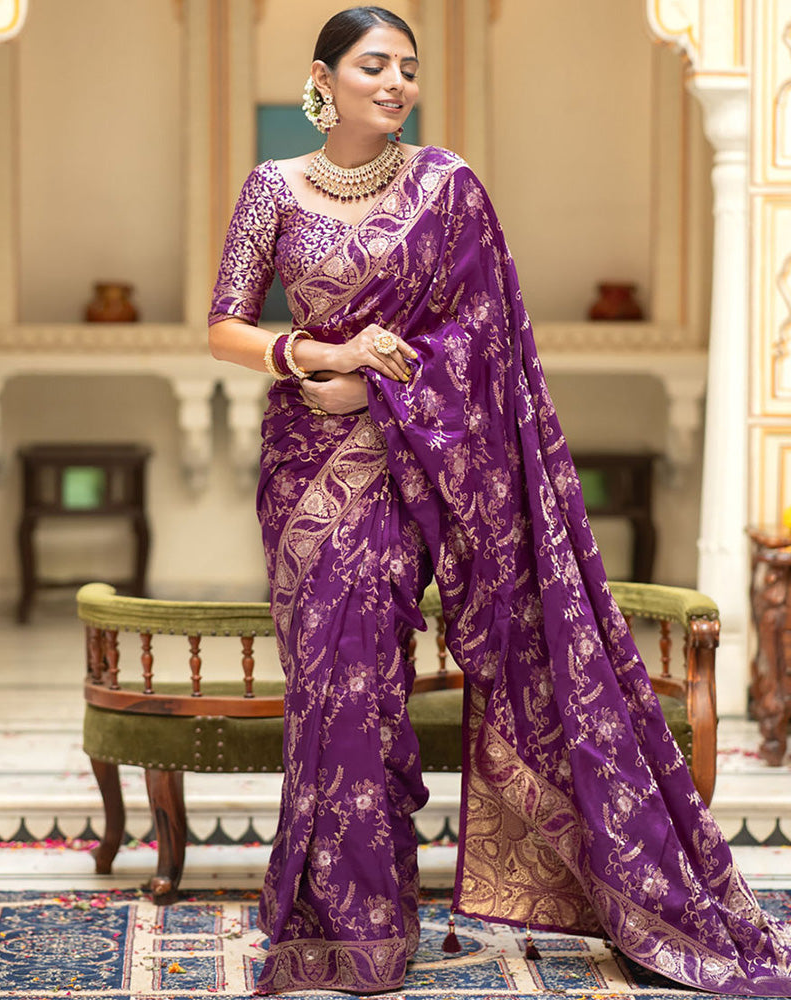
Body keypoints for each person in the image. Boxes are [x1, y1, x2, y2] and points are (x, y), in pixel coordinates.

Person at [208, 7, 791, 996]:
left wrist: (380, 389)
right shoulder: (273, 188)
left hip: (402, 461)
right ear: (323, 78)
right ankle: (327, 920)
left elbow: (483, 338)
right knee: (323, 684)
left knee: (366, 680)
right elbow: (225, 324)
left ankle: (372, 926)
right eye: (372, 66)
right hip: (304, 466)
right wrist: (320, 355)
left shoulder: (447, 188)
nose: (394, 83)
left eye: (407, 68)